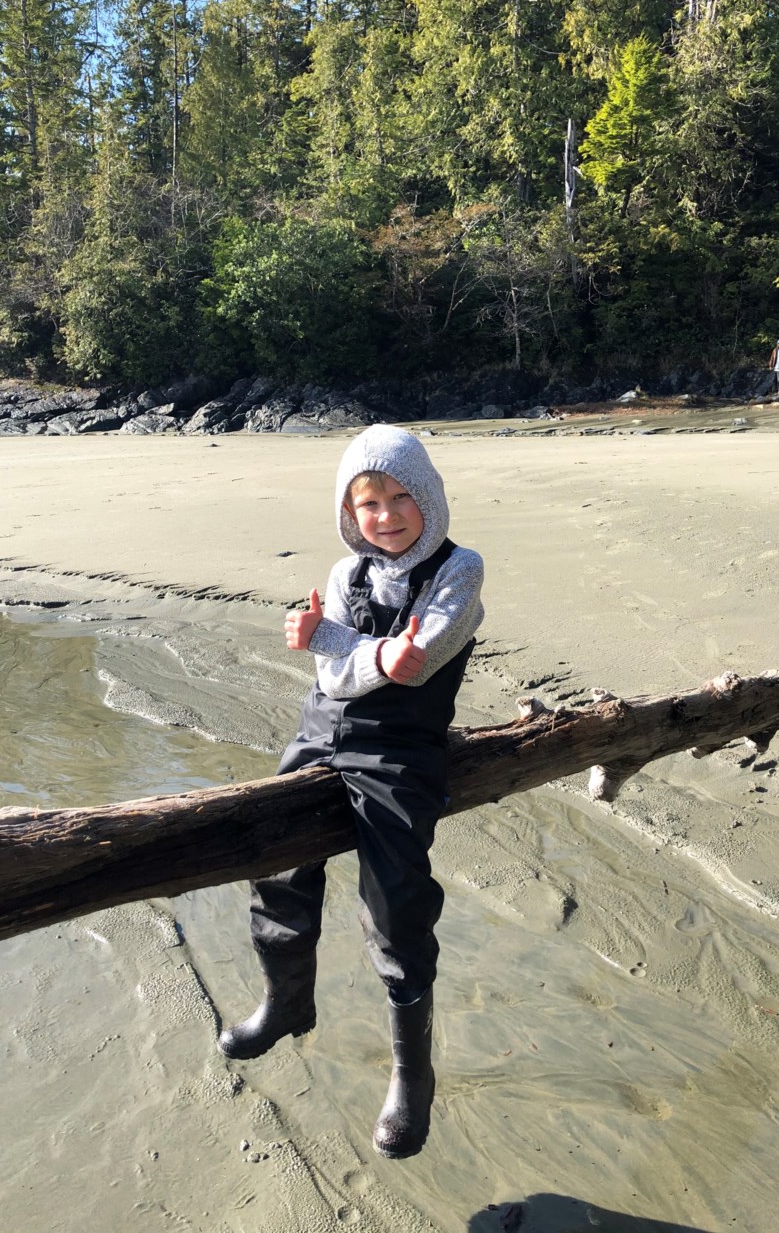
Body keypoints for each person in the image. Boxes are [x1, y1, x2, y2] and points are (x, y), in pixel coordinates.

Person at [218, 424, 484, 1160]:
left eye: (403, 497)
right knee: (271, 859)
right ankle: (286, 1001)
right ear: (348, 511)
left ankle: (412, 1073)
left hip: (401, 751)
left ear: (429, 498)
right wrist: (351, 650)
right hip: (321, 734)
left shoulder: (460, 572)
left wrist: (326, 638)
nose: (387, 516)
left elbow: (415, 664)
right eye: (368, 503)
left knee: (396, 896)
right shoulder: (345, 574)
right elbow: (337, 679)